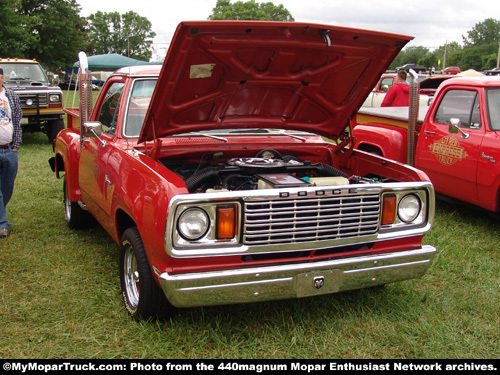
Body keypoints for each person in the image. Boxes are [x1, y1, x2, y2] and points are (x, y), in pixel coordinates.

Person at [0, 66, 22, 238]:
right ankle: (2, 224)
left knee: (7, 187)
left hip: (9, 149)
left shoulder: (11, 96)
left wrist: (15, 145)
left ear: (2, 77)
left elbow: (17, 120)